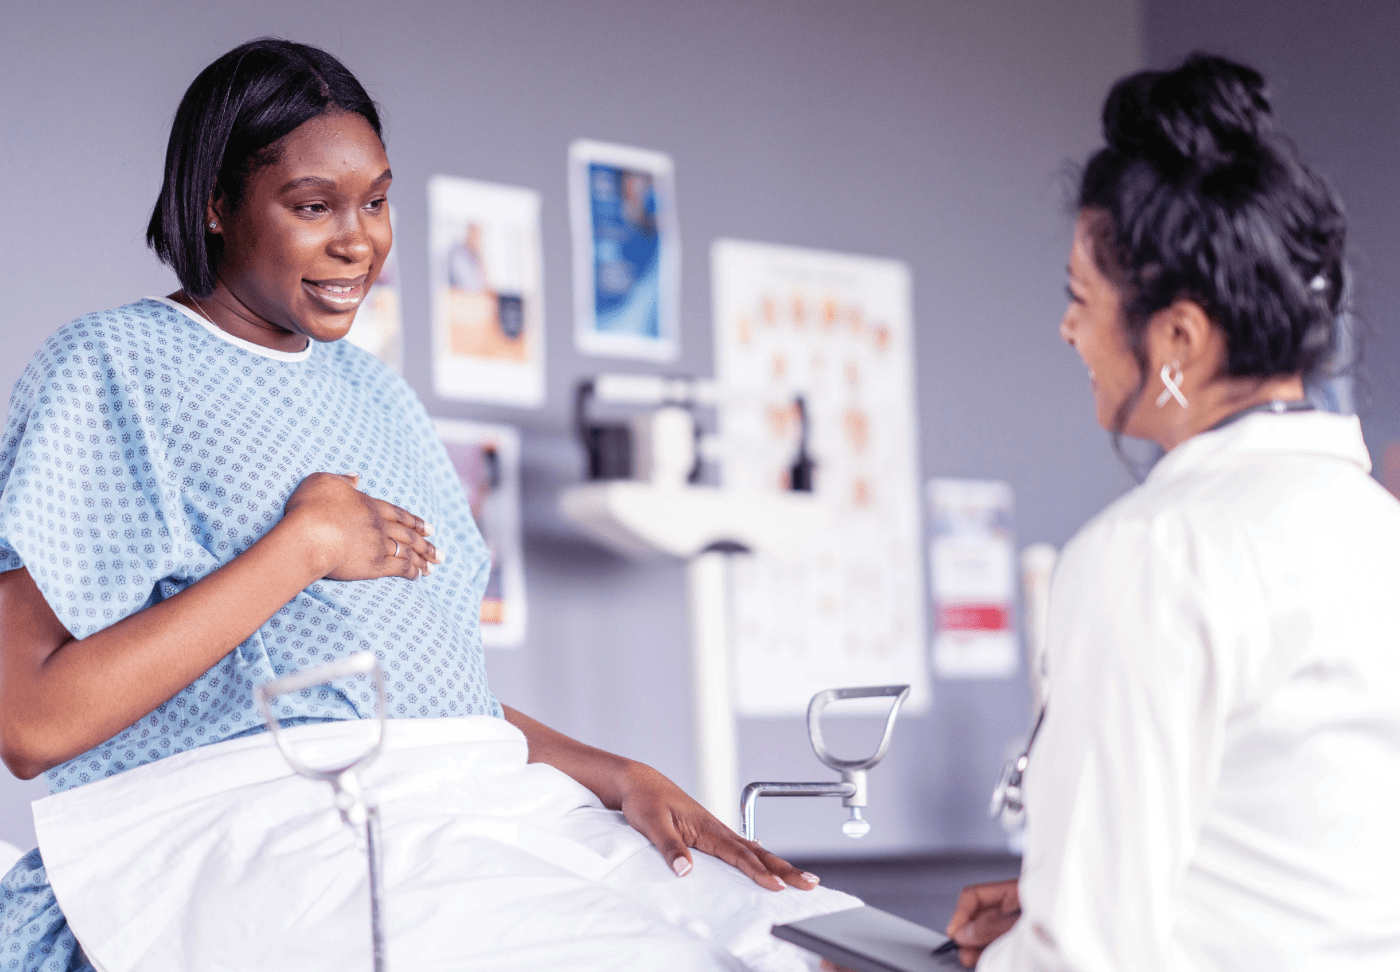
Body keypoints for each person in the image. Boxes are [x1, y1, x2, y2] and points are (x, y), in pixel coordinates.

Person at [0, 39, 830, 971]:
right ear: (217, 207)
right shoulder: (113, 368)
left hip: (473, 799)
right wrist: (300, 547)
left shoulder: (378, 397)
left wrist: (614, 774)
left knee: (796, 938)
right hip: (280, 819)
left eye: (378, 201)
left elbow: (426, 698)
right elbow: (29, 724)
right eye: (314, 206)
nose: (360, 239)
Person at [939, 54, 1400, 970]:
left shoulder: (1152, 552)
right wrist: (1052, 899)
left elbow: (1088, 958)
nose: (1068, 329)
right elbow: (1316, 848)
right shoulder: (1375, 529)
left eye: (1081, 298)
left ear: (1178, 337)